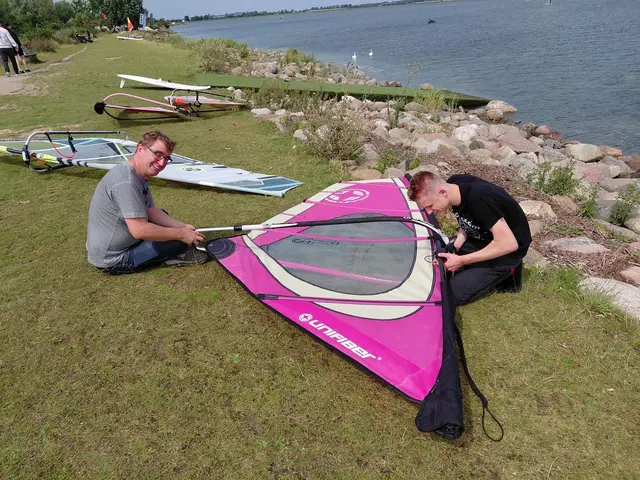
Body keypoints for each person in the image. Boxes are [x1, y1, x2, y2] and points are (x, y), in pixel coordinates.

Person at [86, 130, 209, 275]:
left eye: (166, 158)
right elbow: (139, 230)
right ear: (140, 149)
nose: (162, 163)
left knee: (165, 220)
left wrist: (183, 227)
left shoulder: (137, 173)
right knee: (177, 242)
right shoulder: (126, 182)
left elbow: (151, 211)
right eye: (158, 154)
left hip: (121, 242)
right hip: (113, 260)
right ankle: (172, 258)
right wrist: (181, 234)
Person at [408, 171, 531, 306]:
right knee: (434, 257)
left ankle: (510, 271)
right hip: (483, 237)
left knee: (448, 295)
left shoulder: (480, 201)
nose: (429, 212)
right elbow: (468, 217)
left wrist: (462, 260)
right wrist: (456, 245)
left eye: (430, 206)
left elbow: (509, 244)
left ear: (442, 192)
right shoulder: (455, 183)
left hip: (507, 248)